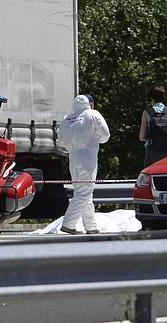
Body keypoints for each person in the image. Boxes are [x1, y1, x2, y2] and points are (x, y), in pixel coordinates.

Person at [58, 95, 110, 234]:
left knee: (85, 193)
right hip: (87, 157)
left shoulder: (66, 118)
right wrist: (95, 138)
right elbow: (105, 135)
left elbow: (60, 141)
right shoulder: (92, 114)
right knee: (84, 193)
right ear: (90, 104)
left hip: (73, 157)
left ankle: (91, 227)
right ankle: (68, 224)